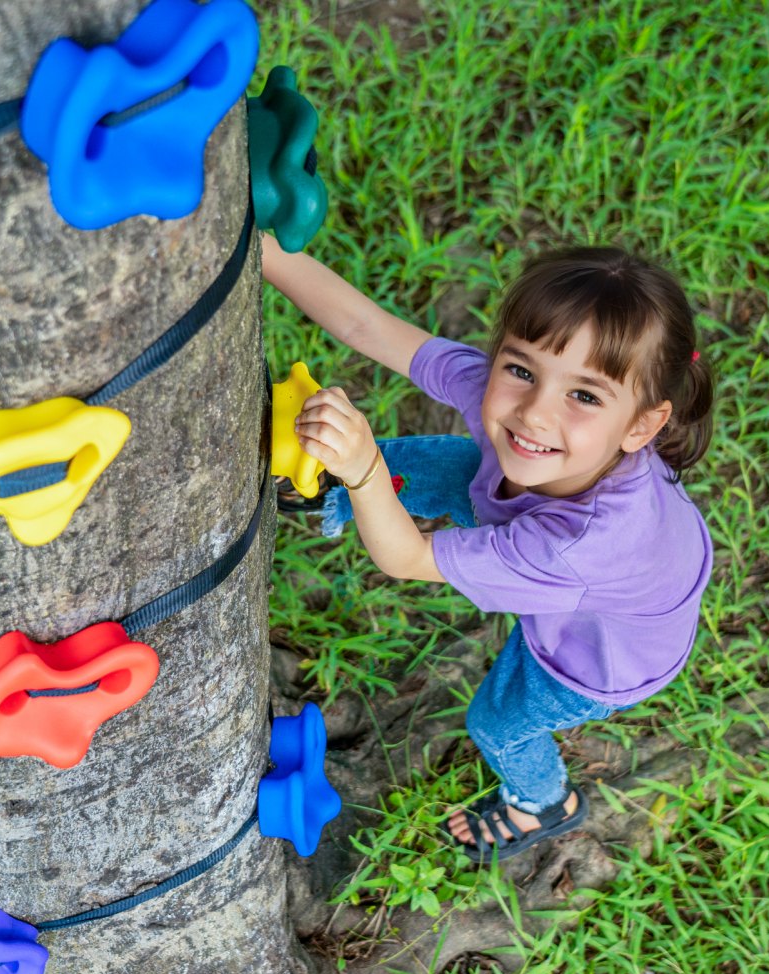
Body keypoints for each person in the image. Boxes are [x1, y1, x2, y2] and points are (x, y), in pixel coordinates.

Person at [261, 233, 714, 861]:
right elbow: (367, 324)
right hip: (631, 567)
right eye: (521, 369)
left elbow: (407, 560)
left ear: (642, 425)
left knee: (498, 723)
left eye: (583, 395)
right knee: (457, 464)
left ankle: (543, 803)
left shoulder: (574, 545)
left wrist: (365, 467)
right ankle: (339, 485)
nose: (533, 412)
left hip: (599, 655)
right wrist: (266, 256)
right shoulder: (519, 409)